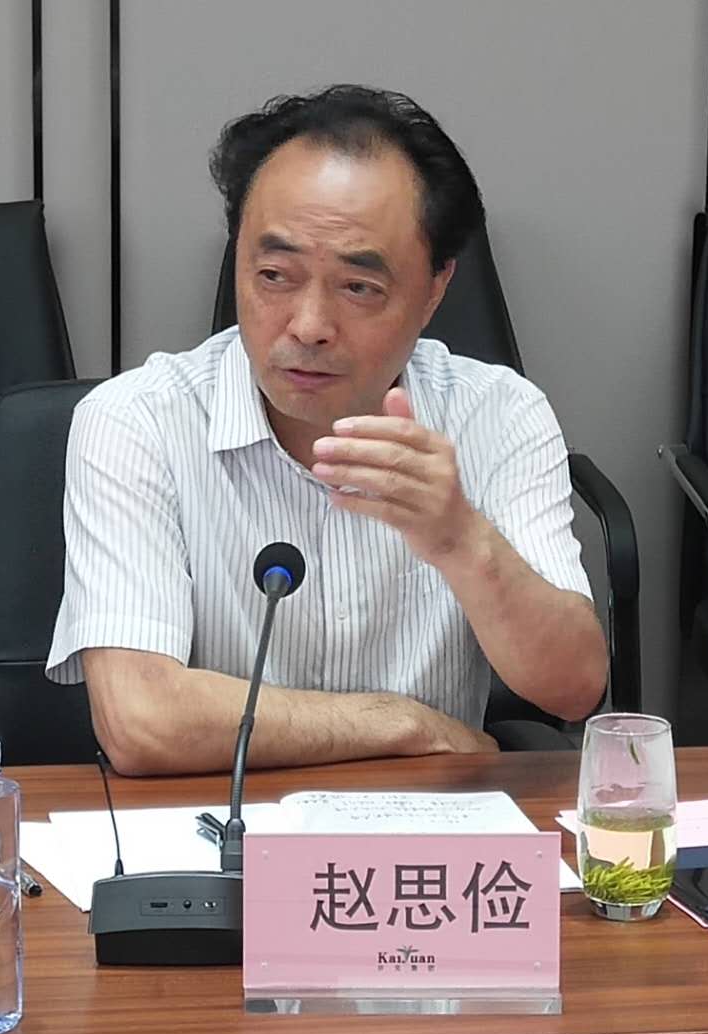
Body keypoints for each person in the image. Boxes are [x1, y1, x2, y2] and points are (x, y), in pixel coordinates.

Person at [46, 85, 607, 776]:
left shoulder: (499, 414)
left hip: (426, 827)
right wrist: (402, 722)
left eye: (358, 287)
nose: (308, 326)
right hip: (215, 818)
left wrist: (461, 539)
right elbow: (142, 720)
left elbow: (573, 687)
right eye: (274, 275)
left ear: (434, 289)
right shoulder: (137, 421)